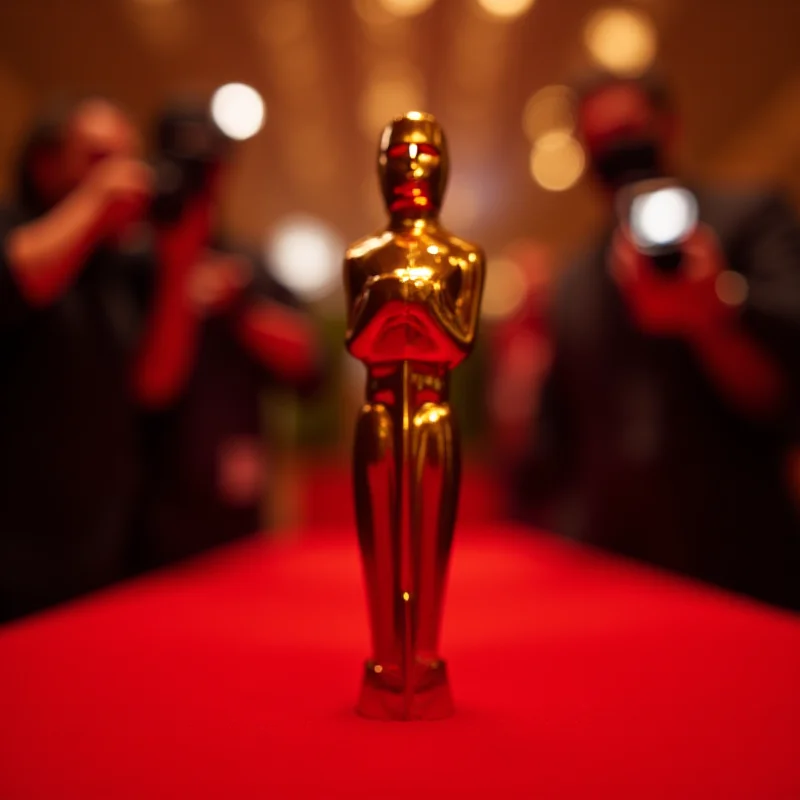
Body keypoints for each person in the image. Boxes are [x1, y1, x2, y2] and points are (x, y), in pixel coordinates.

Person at [511, 69, 800, 610]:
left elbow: (784, 380)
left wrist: (717, 311)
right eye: (597, 144)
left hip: (743, 564)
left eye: (628, 132)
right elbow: (556, 442)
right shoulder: (573, 280)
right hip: (614, 569)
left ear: (669, 127)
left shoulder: (747, 219)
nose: (616, 154)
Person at [0, 96, 199, 621]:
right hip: (14, 544)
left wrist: (178, 262)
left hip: (103, 538)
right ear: (44, 164)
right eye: (97, 159)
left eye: (127, 160)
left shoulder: (118, 267)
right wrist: (95, 203)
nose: (121, 177)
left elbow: (156, 385)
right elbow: (16, 281)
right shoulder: (16, 228)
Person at [131, 102, 324, 572]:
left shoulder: (246, 264)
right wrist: (177, 280)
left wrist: (239, 310)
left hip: (233, 493)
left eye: (209, 165)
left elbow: (309, 365)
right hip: (140, 493)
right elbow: (148, 385)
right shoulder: (130, 258)